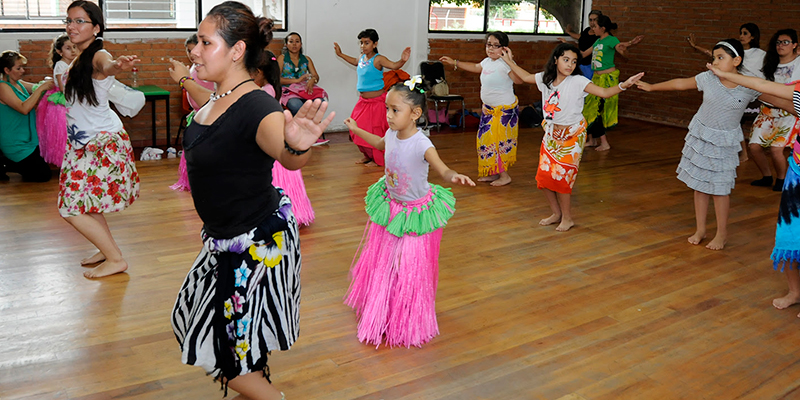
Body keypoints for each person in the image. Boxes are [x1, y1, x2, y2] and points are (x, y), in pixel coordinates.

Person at [169, 2, 334, 399]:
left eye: (205, 42)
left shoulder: (257, 105)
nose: (193, 49)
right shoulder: (213, 99)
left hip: (257, 245)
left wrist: (300, 146)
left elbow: (289, 156)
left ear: (237, 50)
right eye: (196, 41)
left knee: (225, 350)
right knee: (219, 332)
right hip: (222, 239)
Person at [343, 77, 475, 348]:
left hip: (415, 213)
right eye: (387, 109)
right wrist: (356, 130)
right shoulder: (391, 134)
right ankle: (383, 303)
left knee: (409, 265)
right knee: (385, 260)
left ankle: (407, 312)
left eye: (395, 110)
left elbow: (442, 168)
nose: (389, 116)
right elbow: (380, 145)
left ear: (415, 114)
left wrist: (453, 176)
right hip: (391, 205)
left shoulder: (421, 144)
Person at [635, 39, 792, 250]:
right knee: (699, 186)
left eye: (721, 58)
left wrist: (795, 108)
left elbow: (779, 99)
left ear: (736, 60)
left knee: (720, 189)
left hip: (724, 142)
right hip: (701, 136)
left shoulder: (748, 85)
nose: (715, 62)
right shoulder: (708, 78)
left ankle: (722, 234)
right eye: (714, 57)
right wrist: (652, 87)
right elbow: (681, 83)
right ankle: (701, 229)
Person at [500, 44, 644, 232]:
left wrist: (624, 85)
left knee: (562, 179)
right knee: (543, 179)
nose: (570, 64)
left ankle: (567, 218)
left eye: (574, 61)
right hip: (551, 135)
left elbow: (604, 92)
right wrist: (508, 60)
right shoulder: (546, 79)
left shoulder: (578, 81)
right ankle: (556, 213)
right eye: (566, 59)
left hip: (573, 137)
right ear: (556, 60)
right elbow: (526, 77)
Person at [704, 64, 800, 315]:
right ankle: (795, 291)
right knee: (789, 237)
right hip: (797, 176)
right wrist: (728, 76)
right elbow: (766, 87)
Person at [60, 0, 140, 278]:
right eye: (69, 20)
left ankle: (116, 259)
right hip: (84, 143)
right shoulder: (79, 57)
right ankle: (108, 251)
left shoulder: (97, 54)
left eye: (79, 21)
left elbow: (107, 66)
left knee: (70, 208)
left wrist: (117, 65)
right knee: (86, 203)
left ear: (96, 27)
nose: (72, 26)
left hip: (100, 143)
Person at [439, 31, 524, 186]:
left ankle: (505, 176)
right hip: (489, 111)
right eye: (488, 44)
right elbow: (475, 66)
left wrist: (510, 61)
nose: (491, 49)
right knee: (485, 142)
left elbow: (519, 81)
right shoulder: (486, 62)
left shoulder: (506, 64)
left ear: (504, 48)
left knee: (498, 144)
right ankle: (493, 172)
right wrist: (454, 63)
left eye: (496, 46)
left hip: (504, 112)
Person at [255, 49, 316, 226]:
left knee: (278, 180)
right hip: (279, 138)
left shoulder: (265, 91)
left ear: (259, 72)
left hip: (274, 140)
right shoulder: (271, 88)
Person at [334, 28, 410, 167]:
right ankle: (367, 155)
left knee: (375, 130)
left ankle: (377, 159)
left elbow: (393, 65)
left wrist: (402, 60)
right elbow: (354, 61)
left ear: (375, 44)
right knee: (355, 127)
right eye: (361, 43)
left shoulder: (378, 59)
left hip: (377, 102)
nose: (363, 46)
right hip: (363, 101)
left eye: (366, 43)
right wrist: (340, 54)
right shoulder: (362, 58)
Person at [580, 15, 643, 151]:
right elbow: (584, 54)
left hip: (607, 80)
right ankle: (592, 140)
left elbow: (621, 49)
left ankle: (604, 143)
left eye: (594, 27)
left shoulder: (612, 40)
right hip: (595, 79)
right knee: (589, 108)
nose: (592, 29)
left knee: (598, 110)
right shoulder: (597, 41)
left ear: (602, 28)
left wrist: (627, 46)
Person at [749, 29, 800, 190]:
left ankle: (782, 180)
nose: (781, 45)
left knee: (776, 149)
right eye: (778, 42)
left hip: (789, 113)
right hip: (768, 112)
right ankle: (766, 176)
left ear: (794, 45)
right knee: (754, 147)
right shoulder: (769, 62)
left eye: (785, 42)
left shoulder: (798, 63)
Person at [0, 50, 55, 182]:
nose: (22, 71)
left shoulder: (18, 83)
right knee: (43, 175)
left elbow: (36, 88)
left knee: (44, 167)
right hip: (14, 142)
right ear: (7, 70)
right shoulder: (2, 87)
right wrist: (41, 89)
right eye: (18, 68)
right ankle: (5, 162)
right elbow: (24, 108)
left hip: (27, 140)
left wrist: (51, 85)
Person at [37, 34, 78, 166]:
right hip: (62, 101)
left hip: (72, 96)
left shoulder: (74, 62)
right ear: (59, 52)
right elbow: (63, 87)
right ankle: (65, 160)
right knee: (63, 133)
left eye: (74, 47)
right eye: (68, 48)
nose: (72, 50)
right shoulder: (61, 65)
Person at [687, 23, 766, 78]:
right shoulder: (735, 50)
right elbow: (710, 52)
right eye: (740, 33)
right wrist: (695, 46)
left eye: (745, 34)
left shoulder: (760, 54)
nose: (741, 36)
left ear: (752, 36)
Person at [563, 10, 601, 79]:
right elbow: (581, 37)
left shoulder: (600, 36)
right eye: (590, 20)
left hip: (592, 67)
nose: (592, 23)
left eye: (595, 20)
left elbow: (584, 54)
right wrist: (569, 32)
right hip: (581, 64)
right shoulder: (587, 30)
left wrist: (569, 46)